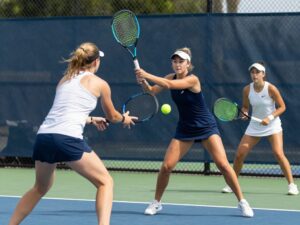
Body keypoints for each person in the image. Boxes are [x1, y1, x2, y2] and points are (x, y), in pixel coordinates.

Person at [8, 42, 137, 225]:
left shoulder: (64, 80)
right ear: (96, 62)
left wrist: (91, 119)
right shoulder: (100, 84)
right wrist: (124, 119)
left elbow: (65, 112)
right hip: (66, 138)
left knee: (40, 187)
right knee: (105, 182)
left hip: (44, 137)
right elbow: (113, 116)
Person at [135, 47, 254, 217]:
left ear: (188, 64)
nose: (177, 64)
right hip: (185, 128)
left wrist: (146, 74)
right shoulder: (170, 77)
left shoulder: (193, 80)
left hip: (206, 127)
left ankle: (242, 202)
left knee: (223, 165)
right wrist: (143, 81)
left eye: (181, 61)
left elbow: (169, 85)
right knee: (167, 166)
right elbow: (152, 91)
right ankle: (156, 202)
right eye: (175, 61)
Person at [222, 62, 299, 195]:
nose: (254, 75)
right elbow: (245, 106)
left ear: (263, 74)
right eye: (252, 72)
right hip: (255, 126)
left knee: (278, 154)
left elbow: (282, 107)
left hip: (272, 125)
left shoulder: (271, 89)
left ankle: (292, 185)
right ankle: (231, 184)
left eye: (257, 72)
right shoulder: (247, 89)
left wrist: (269, 118)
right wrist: (245, 113)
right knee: (240, 154)